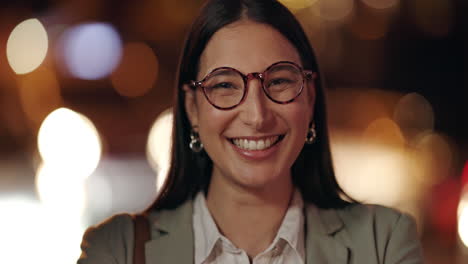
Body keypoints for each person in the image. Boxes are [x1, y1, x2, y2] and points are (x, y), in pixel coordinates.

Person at [78, 0, 424, 263]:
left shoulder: (384, 243)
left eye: (279, 81)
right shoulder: (118, 249)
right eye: (225, 85)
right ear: (192, 108)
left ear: (311, 96)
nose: (257, 116)